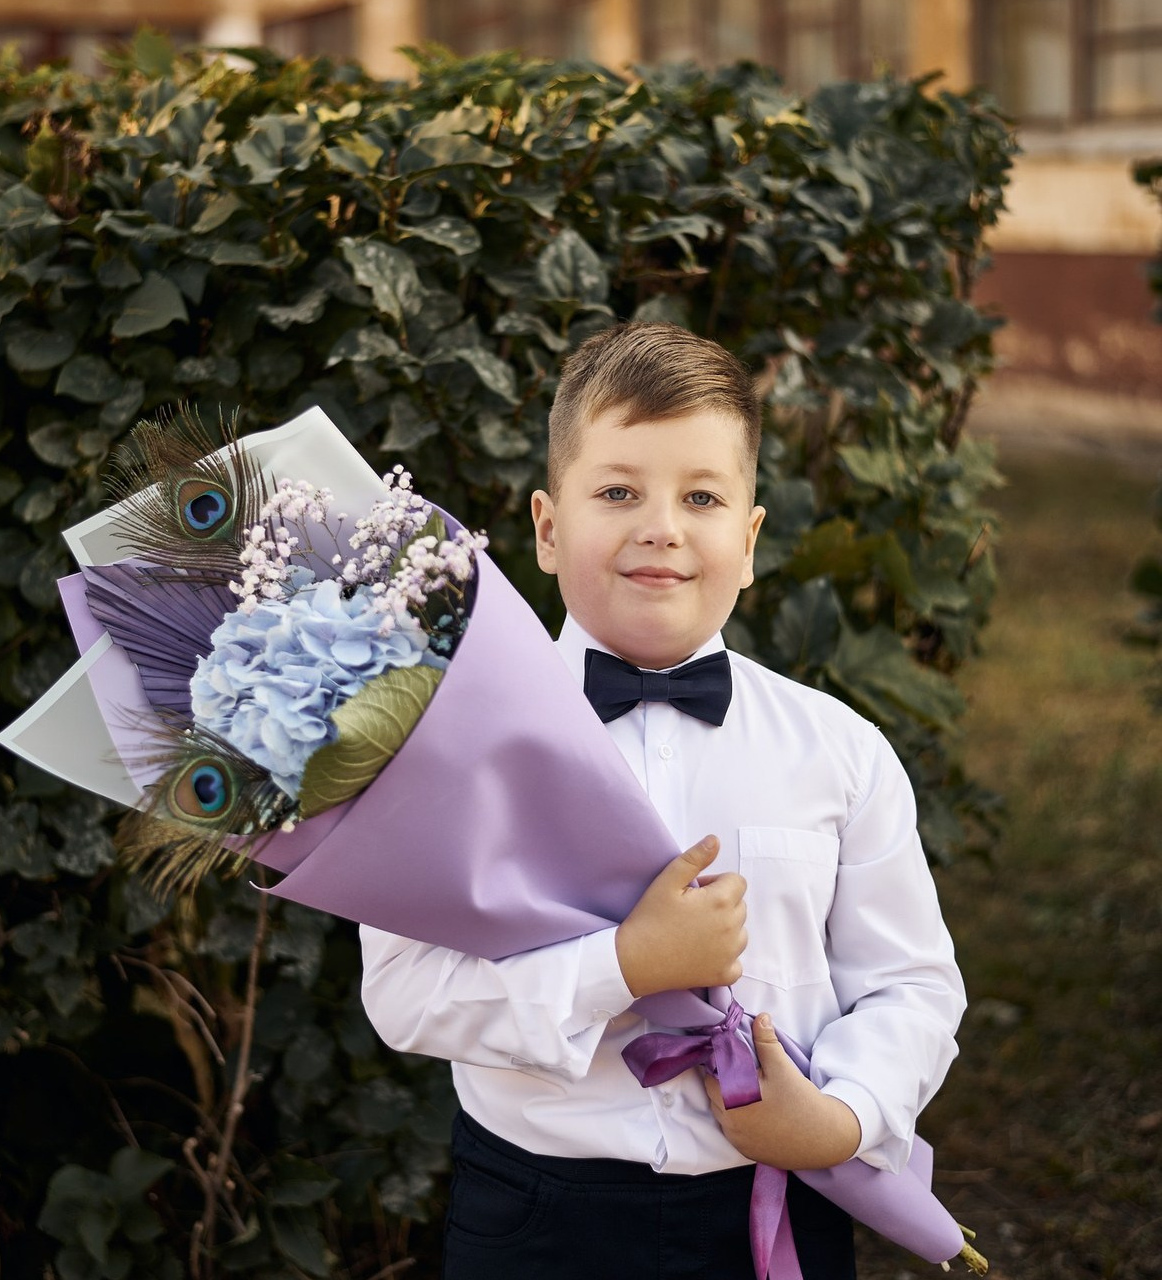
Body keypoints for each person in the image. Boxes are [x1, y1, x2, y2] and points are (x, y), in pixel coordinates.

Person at [359, 322, 966, 1279]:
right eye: (617, 492)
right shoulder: (453, 750)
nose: (662, 527)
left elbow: (912, 986)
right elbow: (405, 993)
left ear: (751, 538)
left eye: (702, 497)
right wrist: (626, 964)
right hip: (536, 1219)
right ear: (549, 529)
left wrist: (843, 1113)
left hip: (776, 1200)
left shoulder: (840, 752)